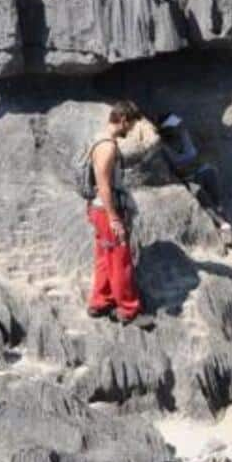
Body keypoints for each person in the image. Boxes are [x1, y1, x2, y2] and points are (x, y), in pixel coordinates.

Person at [85, 101, 148, 326]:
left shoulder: (97, 138)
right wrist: (114, 218)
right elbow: (103, 183)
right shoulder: (108, 146)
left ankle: (100, 302)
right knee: (120, 258)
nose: (130, 130)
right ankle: (128, 309)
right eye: (130, 125)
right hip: (106, 210)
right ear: (123, 120)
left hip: (98, 208)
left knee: (104, 255)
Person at [155, 113, 232, 247]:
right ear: (167, 130)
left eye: (178, 125)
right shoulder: (163, 146)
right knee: (197, 191)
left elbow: (192, 156)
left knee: (210, 172)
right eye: (175, 126)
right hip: (184, 177)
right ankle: (221, 223)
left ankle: (219, 209)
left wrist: (190, 164)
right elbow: (175, 165)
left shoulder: (183, 135)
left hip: (195, 170)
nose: (179, 128)